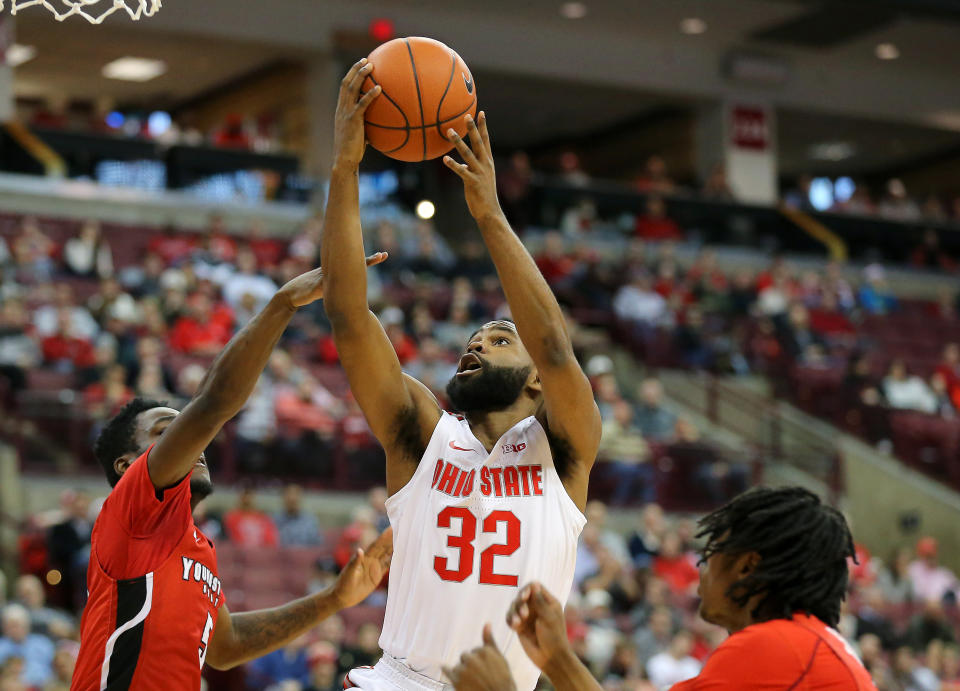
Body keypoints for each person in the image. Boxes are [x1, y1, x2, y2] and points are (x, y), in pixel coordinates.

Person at [322, 59, 601, 691]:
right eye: (473, 339)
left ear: (535, 383)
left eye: (500, 340)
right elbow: (346, 314)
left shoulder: (563, 453)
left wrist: (489, 214)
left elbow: (556, 349)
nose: (475, 345)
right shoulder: (422, 435)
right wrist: (344, 168)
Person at [69, 257, 393, 690]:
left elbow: (227, 644)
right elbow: (214, 404)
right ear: (128, 467)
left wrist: (334, 598)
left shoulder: (198, 544)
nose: (193, 441)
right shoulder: (132, 512)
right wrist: (282, 303)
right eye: (167, 433)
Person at [447, 487, 876, 690]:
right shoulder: (803, 645)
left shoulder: (777, 646)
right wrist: (558, 660)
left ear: (747, 566)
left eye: (710, 553)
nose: (699, 567)